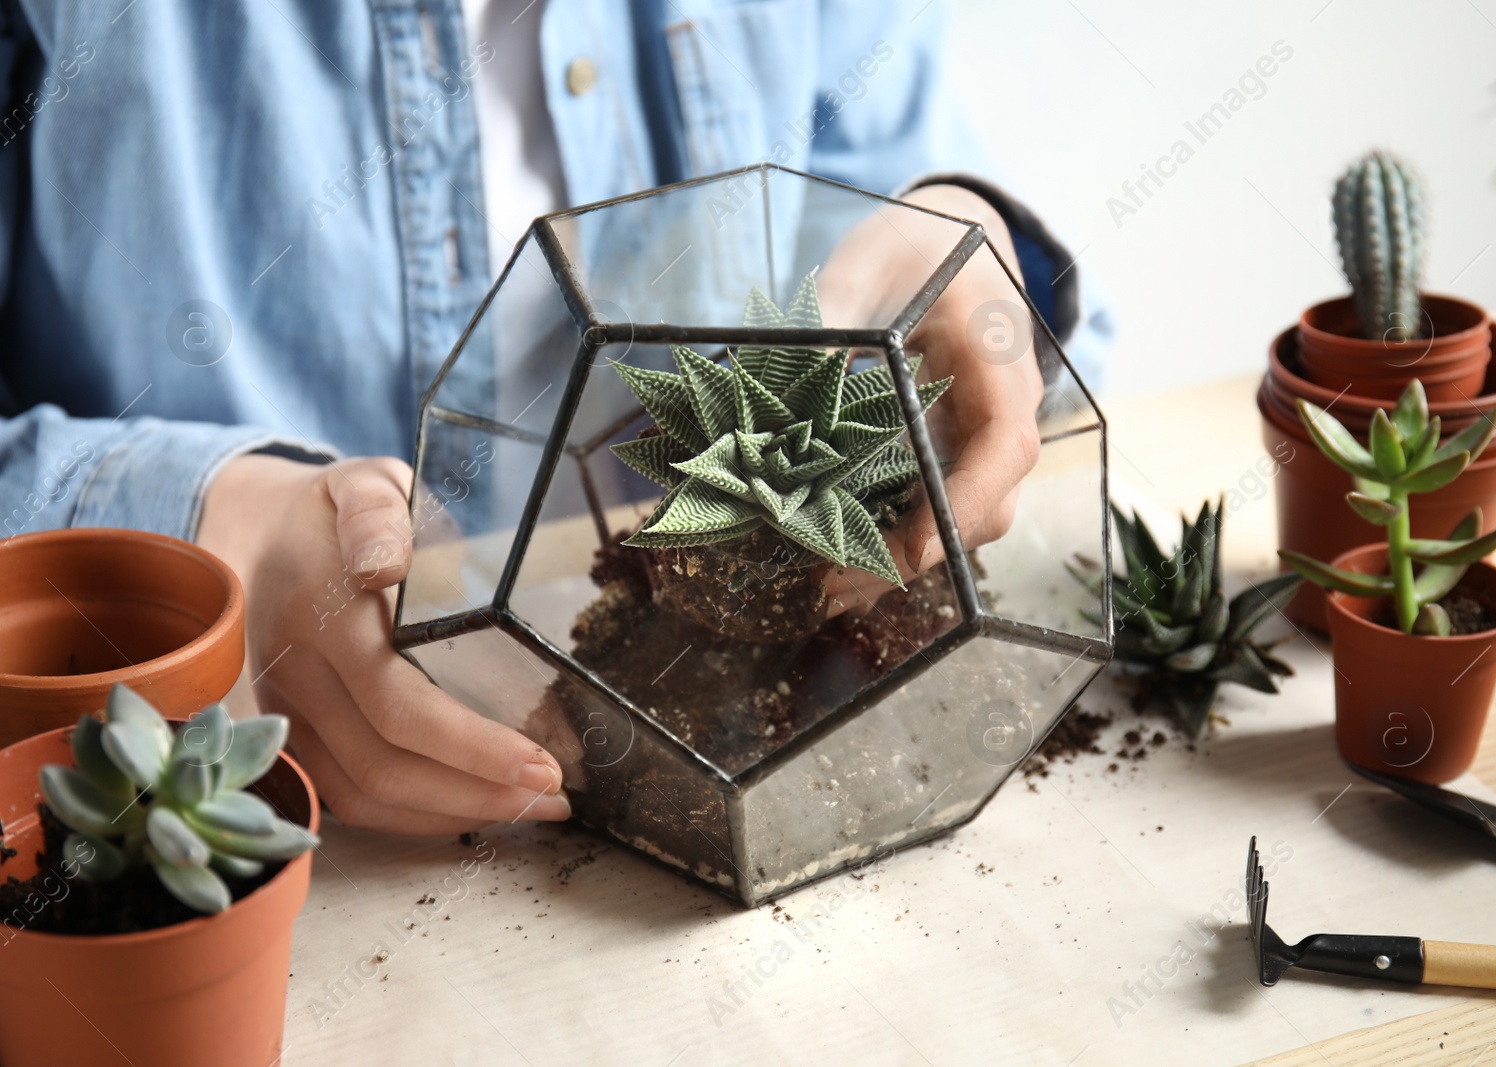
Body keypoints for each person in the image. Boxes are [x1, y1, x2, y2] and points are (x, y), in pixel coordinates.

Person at [0, 1, 1112, 836]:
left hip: (740, 764)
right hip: (257, 830)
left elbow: (911, 209)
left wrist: (971, 244)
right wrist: (202, 517)